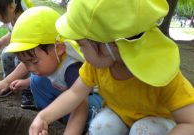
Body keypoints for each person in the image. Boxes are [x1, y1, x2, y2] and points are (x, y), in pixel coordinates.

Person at [29, 0, 194, 135]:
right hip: (120, 117)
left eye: (82, 46)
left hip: (158, 123)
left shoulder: (161, 73)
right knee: (101, 127)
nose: (81, 52)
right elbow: (74, 93)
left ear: (111, 45)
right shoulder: (97, 66)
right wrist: (44, 117)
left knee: (143, 131)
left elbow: (190, 122)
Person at [0, 6, 102, 134]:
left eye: (34, 62)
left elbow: (80, 105)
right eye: (25, 62)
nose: (30, 68)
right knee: (36, 81)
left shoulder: (72, 68)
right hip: (64, 90)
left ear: (59, 49)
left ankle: (79, 126)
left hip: (88, 98)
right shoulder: (49, 57)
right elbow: (30, 63)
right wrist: (19, 82)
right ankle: (54, 117)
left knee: (89, 112)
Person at [0, 0, 35, 108]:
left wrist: (7, 81)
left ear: (11, 6)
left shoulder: (27, 21)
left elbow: (29, 59)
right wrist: (1, 41)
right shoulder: (13, 17)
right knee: (7, 54)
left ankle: (29, 91)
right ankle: (11, 84)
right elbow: (12, 33)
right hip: (26, 52)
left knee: (19, 58)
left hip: (36, 57)